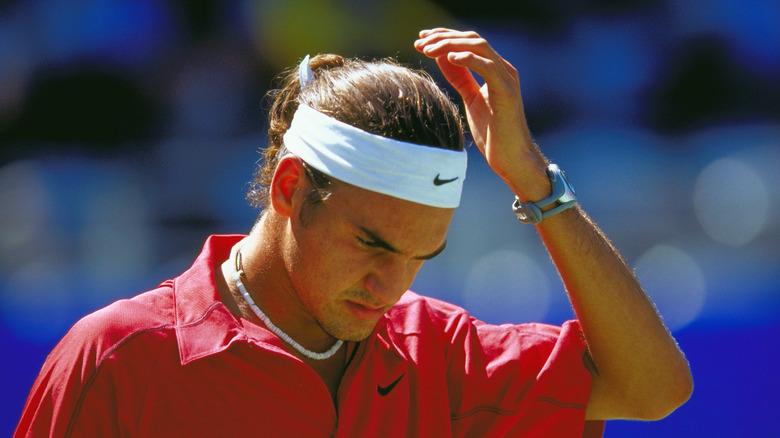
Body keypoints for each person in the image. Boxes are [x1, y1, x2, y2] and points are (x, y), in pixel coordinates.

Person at [14, 28, 692, 437]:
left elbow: (652, 389)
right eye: (373, 243)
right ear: (289, 188)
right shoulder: (118, 358)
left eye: (420, 257)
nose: (389, 286)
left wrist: (535, 184)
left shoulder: (440, 354)